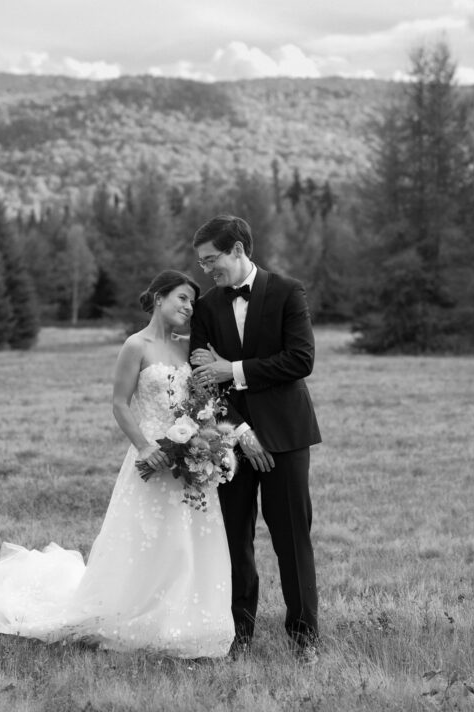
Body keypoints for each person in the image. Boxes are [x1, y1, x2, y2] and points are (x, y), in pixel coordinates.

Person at [0, 270, 234, 659]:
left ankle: (187, 620)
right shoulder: (135, 345)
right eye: (181, 298)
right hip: (152, 456)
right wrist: (144, 447)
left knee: (190, 539)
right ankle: (134, 614)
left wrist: (204, 443)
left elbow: (201, 400)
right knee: (150, 536)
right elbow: (119, 403)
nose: (188, 307)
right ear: (159, 298)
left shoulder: (188, 347)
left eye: (192, 302)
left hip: (189, 459)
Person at [189, 215, 322, 665]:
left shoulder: (287, 291)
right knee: (233, 539)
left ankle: (304, 638)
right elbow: (203, 381)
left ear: (238, 250)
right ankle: (236, 634)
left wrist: (235, 369)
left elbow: (300, 360)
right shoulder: (207, 309)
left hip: (286, 435)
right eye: (203, 263)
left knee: (292, 540)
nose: (207, 270)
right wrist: (241, 432)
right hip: (229, 442)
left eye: (212, 260)